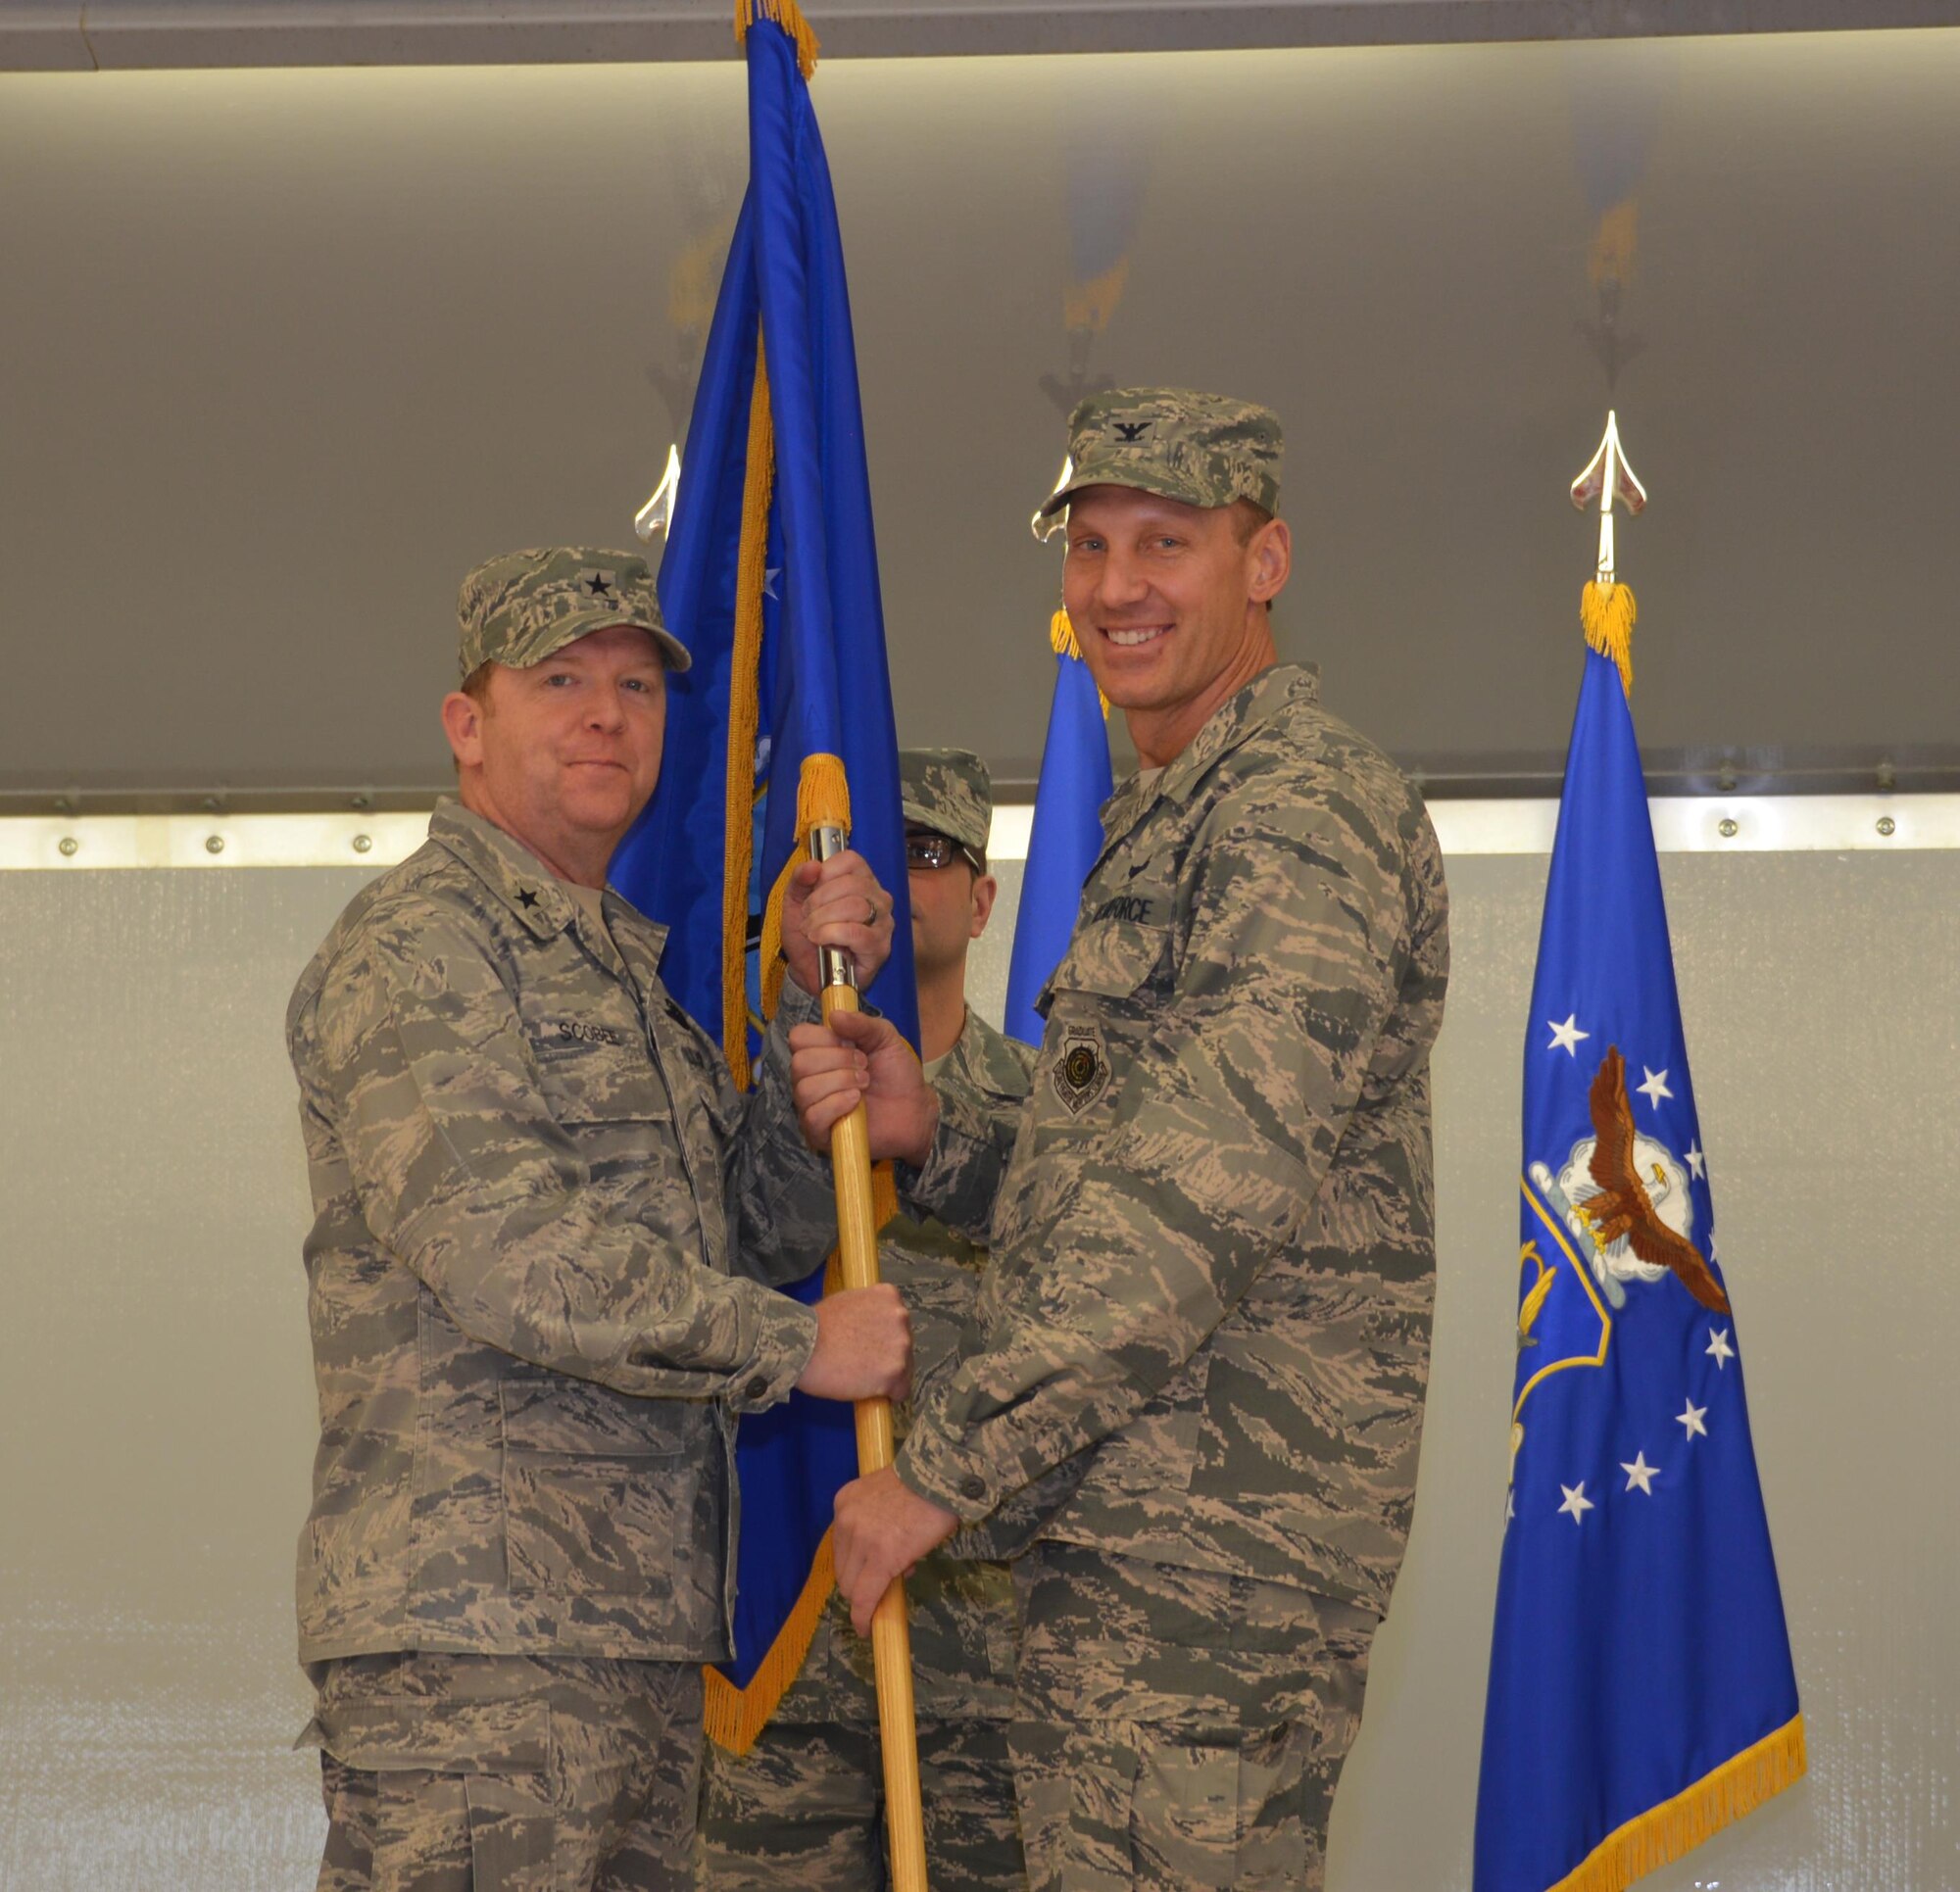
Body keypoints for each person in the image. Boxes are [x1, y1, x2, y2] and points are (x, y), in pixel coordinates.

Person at [792, 391, 1451, 1889]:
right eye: (1090, 544)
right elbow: (1125, 1141)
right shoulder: (1179, 809)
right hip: (1141, 1542)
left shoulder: (1296, 810)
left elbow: (1202, 1191)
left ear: (1264, 562)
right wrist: (940, 1130)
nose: (1116, 585)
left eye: (1167, 542)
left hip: (1210, 1557)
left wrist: (944, 1465)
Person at [286, 546, 911, 1892]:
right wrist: (798, 1345)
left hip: (630, 1630)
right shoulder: (421, 944)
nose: (606, 715)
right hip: (481, 1641)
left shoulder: (617, 966)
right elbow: (507, 1254)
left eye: (636, 685)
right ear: (468, 723)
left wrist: (805, 1035)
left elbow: (746, 1238)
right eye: (560, 680)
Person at [700, 747, 1034, 1892]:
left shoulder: (1044, 1120)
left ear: (982, 899)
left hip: (986, 1671)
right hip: (783, 1663)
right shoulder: (750, 1112)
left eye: (929, 852)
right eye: (879, 851)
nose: (894, 879)